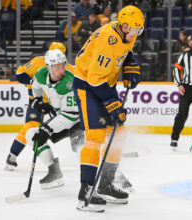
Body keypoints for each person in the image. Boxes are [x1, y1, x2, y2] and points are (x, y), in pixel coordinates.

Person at [73, 5, 144, 212]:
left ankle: (105, 184)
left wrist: (131, 64)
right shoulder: (107, 39)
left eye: (139, 30)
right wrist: (113, 104)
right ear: (123, 26)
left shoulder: (127, 33)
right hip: (87, 85)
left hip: (104, 83)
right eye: (134, 30)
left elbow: (126, 53)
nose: (136, 34)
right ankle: (85, 192)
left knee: (117, 133)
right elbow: (95, 79)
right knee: (95, 137)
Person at [5, 42, 74, 171]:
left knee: (69, 125)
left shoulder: (67, 68)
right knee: (31, 126)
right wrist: (35, 87)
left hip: (56, 103)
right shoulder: (38, 62)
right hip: (38, 102)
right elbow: (20, 75)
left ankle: (82, 149)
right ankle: (13, 155)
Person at [25, 49, 82, 189]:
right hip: (60, 119)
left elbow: (70, 116)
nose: (61, 69)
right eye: (56, 66)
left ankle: (113, 175)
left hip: (79, 122)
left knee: (83, 148)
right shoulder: (41, 74)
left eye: (63, 65)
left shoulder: (69, 83)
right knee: (32, 135)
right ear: (48, 67)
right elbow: (35, 86)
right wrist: (37, 100)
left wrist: (47, 129)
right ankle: (54, 171)